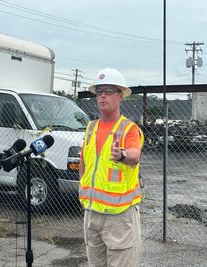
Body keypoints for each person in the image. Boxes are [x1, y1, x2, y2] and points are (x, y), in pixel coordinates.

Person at [79, 68, 144, 267]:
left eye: (108, 91)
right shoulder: (91, 127)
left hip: (119, 216)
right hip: (92, 212)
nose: (102, 96)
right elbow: (84, 162)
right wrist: (82, 188)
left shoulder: (129, 129)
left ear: (120, 96)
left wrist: (122, 154)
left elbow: (135, 155)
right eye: (99, 92)